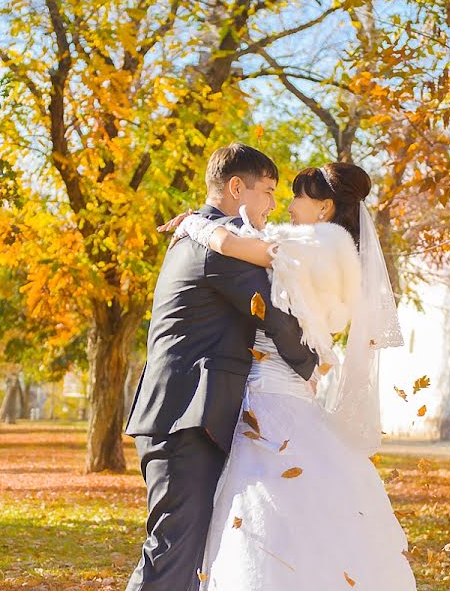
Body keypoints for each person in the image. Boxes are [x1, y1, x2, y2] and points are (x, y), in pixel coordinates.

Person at [173, 162, 416, 590]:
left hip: (269, 394)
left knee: (266, 516)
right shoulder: (345, 253)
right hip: (296, 393)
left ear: (323, 208)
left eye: (298, 196)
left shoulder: (316, 242)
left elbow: (239, 244)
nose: (287, 204)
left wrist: (193, 223)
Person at [124, 143, 318, 591]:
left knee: (192, 558)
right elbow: (271, 312)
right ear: (236, 187)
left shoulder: (204, 233)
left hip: (189, 416)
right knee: (172, 553)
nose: (273, 204)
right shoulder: (221, 243)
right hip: (184, 418)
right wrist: (312, 365)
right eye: (267, 191)